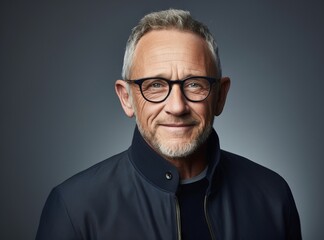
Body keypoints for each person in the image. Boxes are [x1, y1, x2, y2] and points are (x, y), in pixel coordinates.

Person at [36, 9, 301, 240]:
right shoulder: (74, 208)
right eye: (155, 85)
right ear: (126, 98)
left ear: (220, 96)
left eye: (194, 84)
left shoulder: (273, 196)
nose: (177, 106)